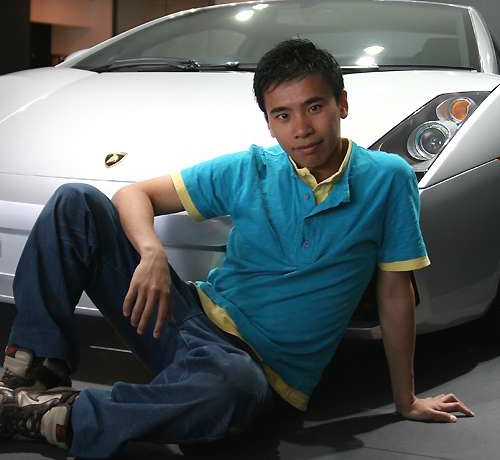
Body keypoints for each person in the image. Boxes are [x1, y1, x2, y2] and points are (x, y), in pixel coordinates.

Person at [0, 39, 473, 457]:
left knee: (228, 390)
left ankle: (53, 417)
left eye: (314, 107)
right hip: (188, 319)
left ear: (342, 104)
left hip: (256, 370)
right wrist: (151, 252)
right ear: (269, 123)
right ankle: (30, 375)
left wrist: (406, 400)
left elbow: (395, 292)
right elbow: (134, 194)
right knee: (76, 204)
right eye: (282, 115)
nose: (301, 128)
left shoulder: (388, 179)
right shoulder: (251, 167)